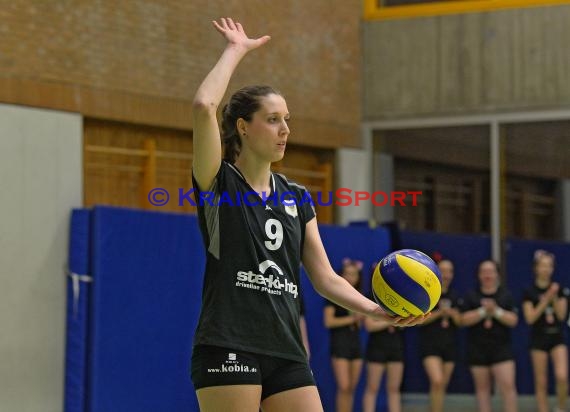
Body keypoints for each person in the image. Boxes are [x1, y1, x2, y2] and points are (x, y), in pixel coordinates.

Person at [189, 17, 427, 411]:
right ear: (243, 127)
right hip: (228, 344)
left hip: (285, 349)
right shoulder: (219, 184)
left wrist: (374, 309)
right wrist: (235, 51)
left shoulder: (296, 197)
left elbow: (325, 277)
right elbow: (203, 106)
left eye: (287, 120)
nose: (285, 129)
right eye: (272, 119)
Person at [460, 260, 519, 412]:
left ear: (497, 274)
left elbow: (513, 320)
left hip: (502, 349)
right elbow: (463, 320)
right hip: (477, 349)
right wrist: (482, 311)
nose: (487, 275)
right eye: (484, 272)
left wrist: (496, 311)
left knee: (508, 386)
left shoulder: (505, 295)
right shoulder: (471, 296)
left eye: (490, 271)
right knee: (482, 389)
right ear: (479, 275)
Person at [522, 249, 568, 412]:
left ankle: (561, 408)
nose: (546, 269)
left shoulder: (559, 290)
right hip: (538, 338)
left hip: (557, 337)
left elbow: (562, 316)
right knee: (541, 381)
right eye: (543, 266)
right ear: (536, 268)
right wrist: (546, 298)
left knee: (562, 376)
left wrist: (554, 296)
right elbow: (530, 318)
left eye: (549, 266)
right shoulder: (529, 292)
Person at [418, 258, 462, 412]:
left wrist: (452, 314)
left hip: (449, 345)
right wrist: (439, 313)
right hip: (430, 345)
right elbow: (418, 320)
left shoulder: (456, 296)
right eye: (443, 271)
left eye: (450, 271)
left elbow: (460, 322)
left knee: (441, 385)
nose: (446, 275)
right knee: (437, 381)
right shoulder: (427, 295)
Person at [323, 258, 365, 412]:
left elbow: (362, 324)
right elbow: (329, 322)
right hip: (340, 342)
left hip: (355, 342)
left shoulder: (360, 297)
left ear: (358, 277)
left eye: (353, 274)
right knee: (344, 386)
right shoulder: (334, 296)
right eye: (347, 274)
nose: (350, 277)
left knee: (352, 387)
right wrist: (352, 318)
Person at [362, 292, 405, 412]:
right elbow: (369, 325)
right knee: (372, 387)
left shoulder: (401, 297)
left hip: (395, 346)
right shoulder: (372, 297)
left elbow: (403, 324)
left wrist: (398, 322)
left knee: (394, 389)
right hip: (377, 346)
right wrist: (390, 321)